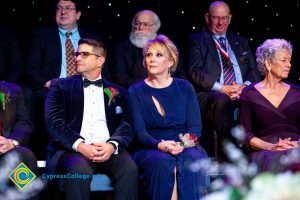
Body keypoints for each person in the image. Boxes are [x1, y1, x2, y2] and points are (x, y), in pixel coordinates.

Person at [45, 38, 138, 200]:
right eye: (77, 54)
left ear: (100, 60)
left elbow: (127, 123)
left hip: (109, 148)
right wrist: (80, 145)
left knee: (129, 169)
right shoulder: (60, 87)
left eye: (85, 54)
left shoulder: (118, 91)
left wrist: (112, 145)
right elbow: (54, 122)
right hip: (74, 150)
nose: (78, 58)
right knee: (78, 171)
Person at [128, 35, 208, 200]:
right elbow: (140, 132)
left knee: (190, 160)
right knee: (162, 162)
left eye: (158, 55)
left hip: (186, 144)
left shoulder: (184, 87)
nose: (152, 59)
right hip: (151, 146)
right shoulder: (135, 91)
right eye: (149, 55)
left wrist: (181, 144)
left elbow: (195, 128)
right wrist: (160, 145)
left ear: (170, 62)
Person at [26, 0, 107, 159]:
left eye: (68, 8)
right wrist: (50, 83)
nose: (63, 12)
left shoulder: (92, 37)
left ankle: (92, 149)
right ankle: (52, 156)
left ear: (78, 14)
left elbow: (104, 70)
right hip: (52, 88)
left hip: (87, 87)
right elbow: (31, 69)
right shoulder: (41, 35)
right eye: (59, 8)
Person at [187, 1, 260, 160]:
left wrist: (244, 88)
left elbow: (254, 71)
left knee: (263, 97)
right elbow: (195, 71)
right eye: (216, 18)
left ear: (230, 18)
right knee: (222, 100)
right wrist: (222, 88)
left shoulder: (241, 42)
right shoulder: (197, 40)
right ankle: (226, 156)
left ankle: (260, 151)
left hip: (242, 91)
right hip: (212, 93)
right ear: (207, 18)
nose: (220, 23)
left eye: (224, 18)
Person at [240, 38, 300, 173]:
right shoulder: (249, 93)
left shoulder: (297, 92)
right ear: (268, 63)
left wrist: (297, 144)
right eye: (284, 60)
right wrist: (271, 146)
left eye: (289, 61)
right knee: (273, 161)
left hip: (296, 147)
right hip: (265, 150)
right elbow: (246, 135)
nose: (289, 65)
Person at [113, 10, 185, 89]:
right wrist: (150, 86)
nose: (140, 28)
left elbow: (179, 74)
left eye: (146, 24)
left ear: (155, 27)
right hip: (135, 91)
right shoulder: (121, 48)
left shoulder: (167, 46)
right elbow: (121, 78)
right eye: (137, 23)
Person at [0, 81, 38, 185]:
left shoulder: (12, 90)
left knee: (24, 156)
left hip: (4, 150)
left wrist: (11, 142)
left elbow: (23, 122)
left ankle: (22, 195)